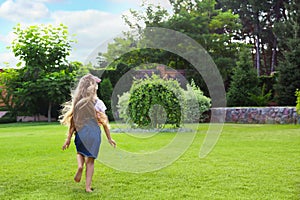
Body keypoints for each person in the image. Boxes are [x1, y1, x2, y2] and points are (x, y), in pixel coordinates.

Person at [60, 74, 116, 192]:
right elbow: (104, 123)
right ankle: (88, 187)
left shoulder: (78, 103)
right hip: (94, 134)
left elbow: (73, 124)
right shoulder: (99, 104)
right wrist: (109, 138)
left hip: (81, 133)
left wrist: (68, 139)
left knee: (80, 152)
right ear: (94, 88)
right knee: (90, 162)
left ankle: (80, 167)